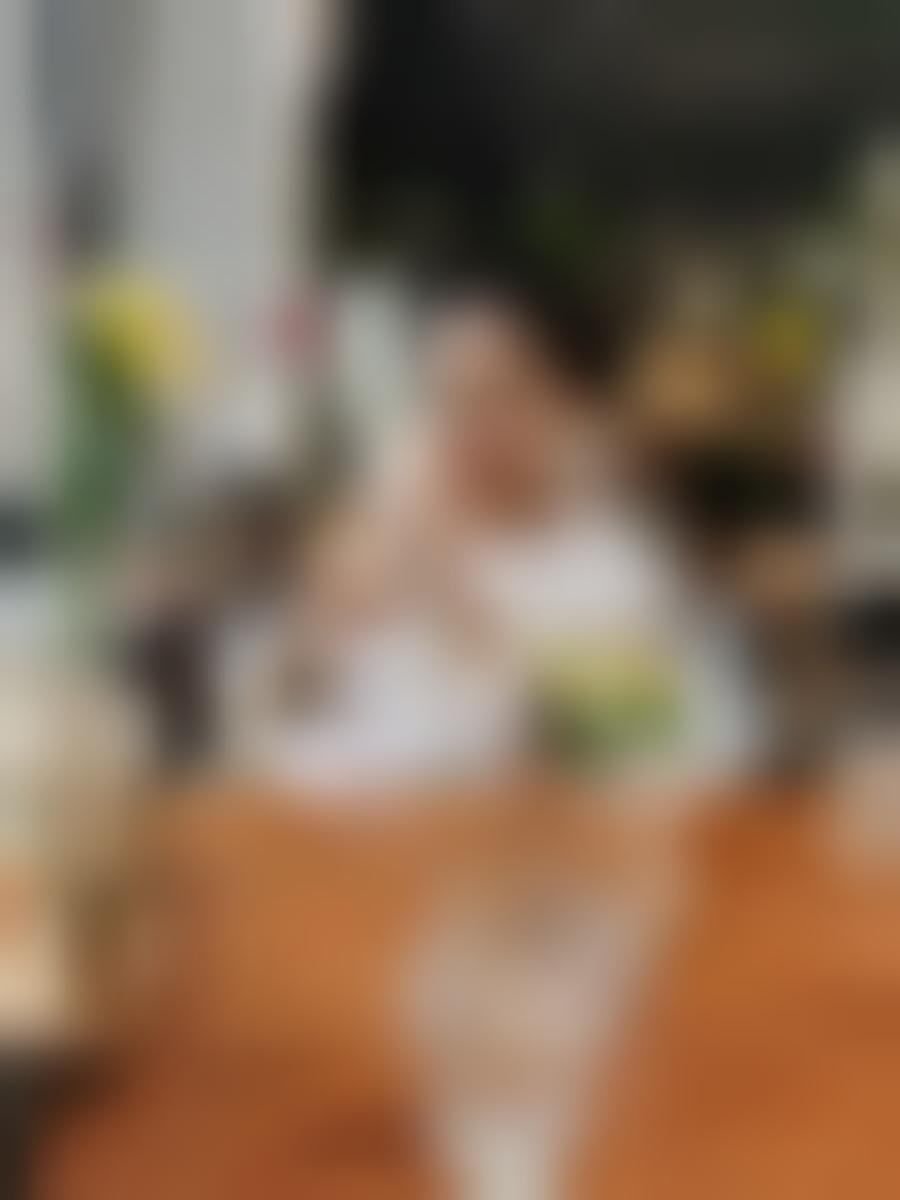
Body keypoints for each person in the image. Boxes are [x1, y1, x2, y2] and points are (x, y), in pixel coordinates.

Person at [257, 272, 762, 797]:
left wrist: (467, 614)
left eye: (496, 396)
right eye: (449, 399)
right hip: (373, 828)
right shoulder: (387, 543)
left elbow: (659, 746)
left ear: (561, 404)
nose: (470, 425)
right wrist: (318, 631)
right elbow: (291, 735)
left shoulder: (614, 565)